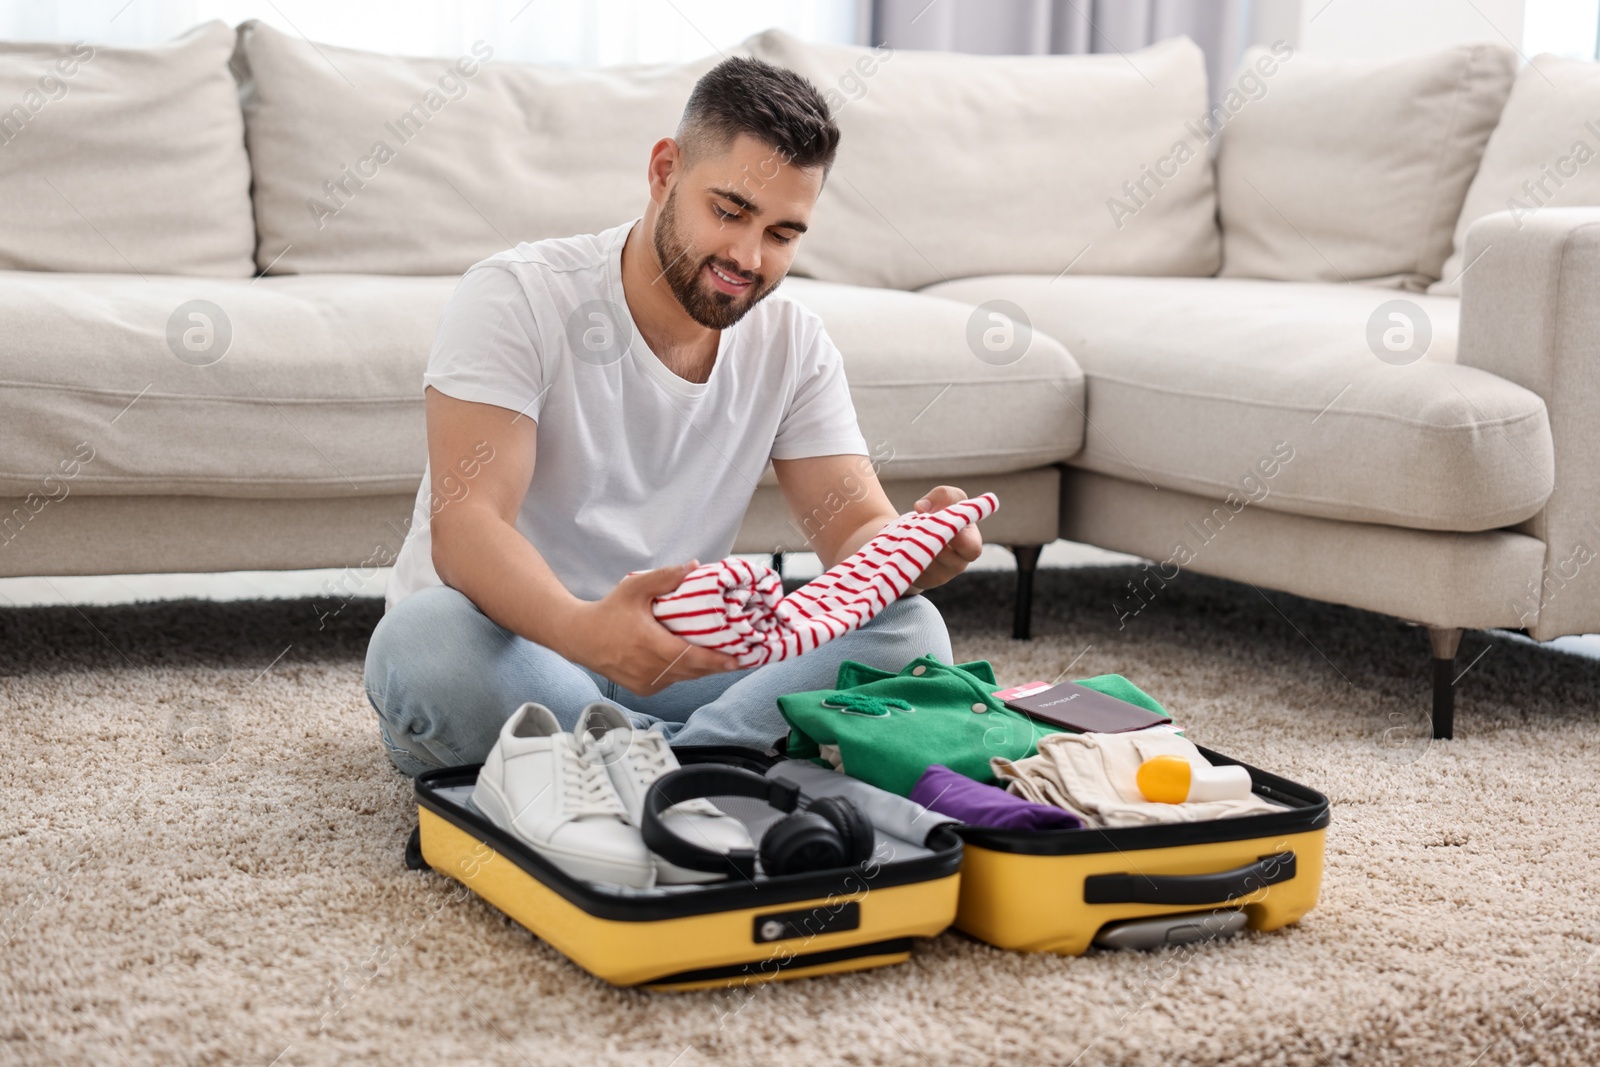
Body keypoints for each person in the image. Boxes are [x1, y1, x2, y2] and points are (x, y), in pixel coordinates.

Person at [364, 55, 983, 778]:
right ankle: (719, 751)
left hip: (675, 659)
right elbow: (467, 529)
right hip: (513, 648)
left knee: (908, 631)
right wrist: (586, 632)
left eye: (783, 234)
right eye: (729, 211)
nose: (748, 257)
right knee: (424, 641)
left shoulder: (793, 343)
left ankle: (658, 762)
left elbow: (855, 532)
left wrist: (908, 550)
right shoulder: (516, 296)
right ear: (664, 171)